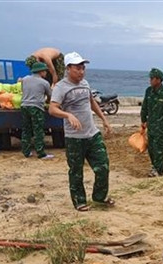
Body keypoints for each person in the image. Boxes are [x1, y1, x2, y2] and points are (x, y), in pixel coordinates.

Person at [49, 52, 113, 211]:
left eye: (83, 68)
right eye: (78, 68)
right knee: (76, 171)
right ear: (68, 68)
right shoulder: (61, 87)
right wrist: (67, 115)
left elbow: (91, 102)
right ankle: (79, 201)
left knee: (103, 166)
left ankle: (99, 196)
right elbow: (52, 109)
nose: (81, 71)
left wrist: (104, 120)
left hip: (92, 134)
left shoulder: (85, 83)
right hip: (74, 138)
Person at [20, 62, 53, 159]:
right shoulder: (44, 83)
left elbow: (23, 91)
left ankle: (26, 152)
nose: (46, 73)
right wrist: (47, 102)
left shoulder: (24, 79)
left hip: (24, 106)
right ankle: (41, 153)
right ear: (41, 72)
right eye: (45, 71)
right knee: (38, 130)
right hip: (36, 107)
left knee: (26, 130)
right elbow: (50, 96)